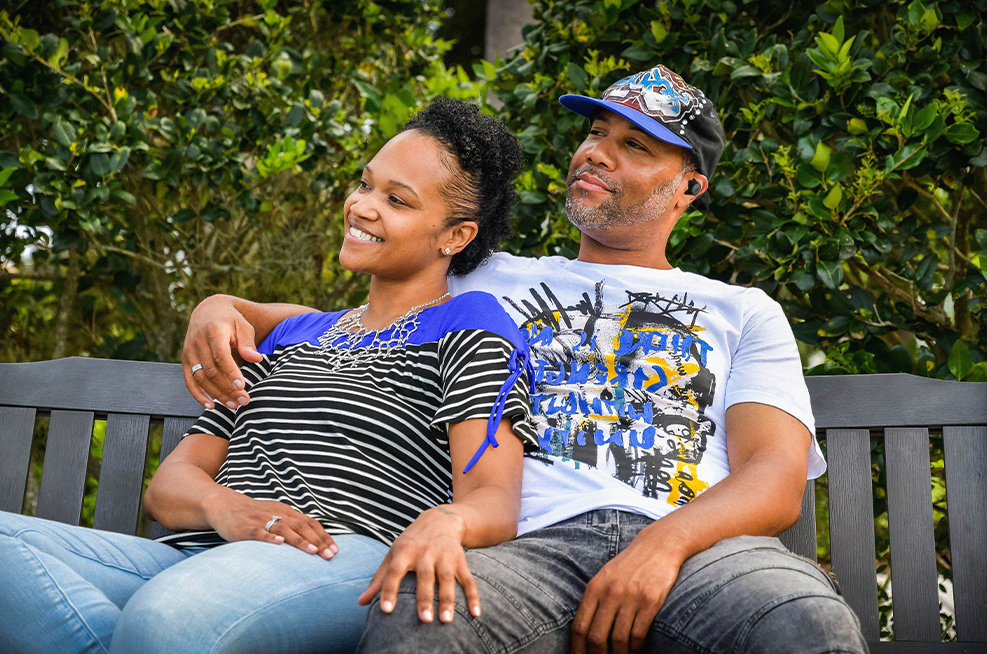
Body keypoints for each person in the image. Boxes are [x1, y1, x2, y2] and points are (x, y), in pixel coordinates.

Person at [181, 64, 869, 654]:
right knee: (418, 617)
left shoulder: (741, 310)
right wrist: (219, 304)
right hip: (520, 550)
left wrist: (663, 546)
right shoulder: (480, 277)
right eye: (595, 133)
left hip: (700, 554)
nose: (597, 153)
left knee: (804, 622)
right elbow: (334, 323)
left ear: (689, 188)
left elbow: (774, 476)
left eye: (633, 146)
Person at [0, 97, 538, 654]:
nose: (362, 206)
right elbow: (170, 487)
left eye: (397, 201)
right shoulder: (291, 336)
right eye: (365, 183)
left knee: (168, 622)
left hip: (341, 554)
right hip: (203, 552)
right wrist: (224, 508)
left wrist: (446, 524)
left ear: (455, 236)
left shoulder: (473, 327)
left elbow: (493, 501)